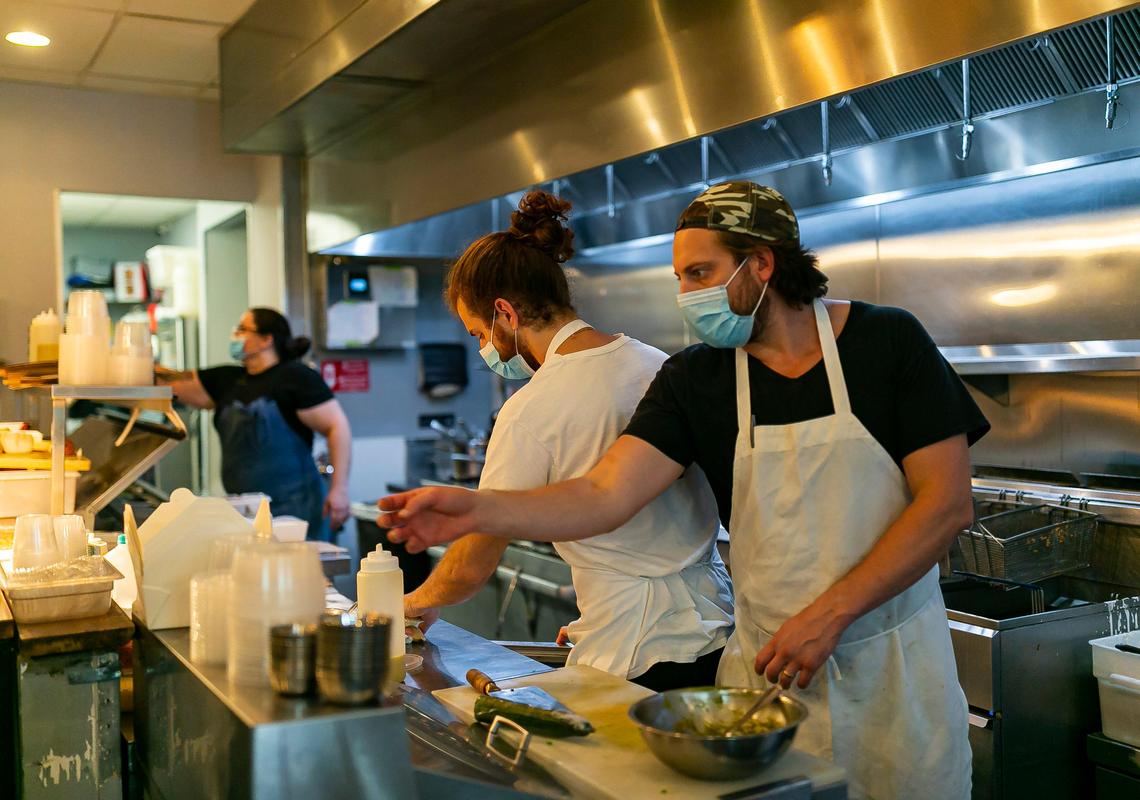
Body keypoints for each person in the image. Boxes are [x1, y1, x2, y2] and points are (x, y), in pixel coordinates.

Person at [381, 181, 989, 799]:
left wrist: (830, 614)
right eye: (680, 277)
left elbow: (945, 502)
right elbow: (605, 493)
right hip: (768, 678)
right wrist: (478, 508)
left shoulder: (886, 341)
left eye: (701, 272)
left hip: (897, 673)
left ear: (762, 263)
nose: (687, 295)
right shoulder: (695, 377)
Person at [404, 190, 734, 690]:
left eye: (478, 334)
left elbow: (472, 560)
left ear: (505, 314)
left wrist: (411, 604)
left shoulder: (530, 411)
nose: (484, 349)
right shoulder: (656, 363)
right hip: (717, 632)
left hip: (634, 653)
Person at [165, 307, 352, 541]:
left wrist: (339, 490)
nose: (235, 335)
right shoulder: (227, 380)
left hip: (296, 511)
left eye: (243, 329)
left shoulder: (296, 377)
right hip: (245, 511)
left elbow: (337, 426)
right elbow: (168, 384)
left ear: (266, 339)